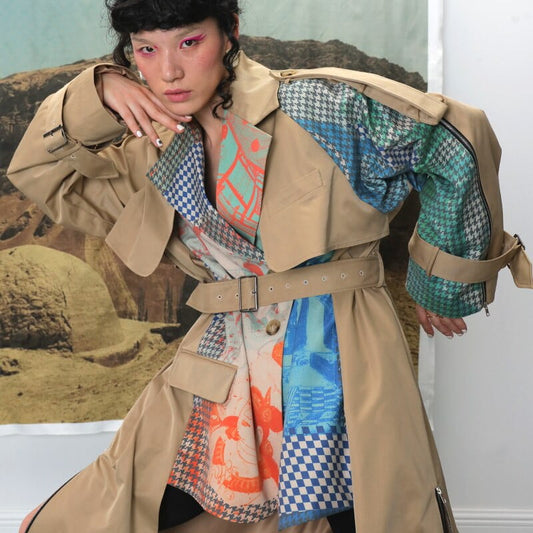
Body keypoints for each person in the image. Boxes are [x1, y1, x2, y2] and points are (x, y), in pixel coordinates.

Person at [7, 0, 531, 532]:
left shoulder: (314, 104)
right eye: (146, 49)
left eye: (189, 42)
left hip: (337, 353)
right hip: (221, 366)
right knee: (108, 510)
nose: (168, 71)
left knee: (368, 512)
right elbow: (37, 171)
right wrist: (97, 92)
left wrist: (439, 281)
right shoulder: (148, 152)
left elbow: (454, 138)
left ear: (229, 32)